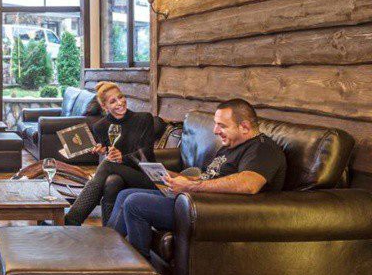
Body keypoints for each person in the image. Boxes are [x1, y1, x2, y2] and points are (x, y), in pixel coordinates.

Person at [108, 98, 287, 258]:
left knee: (135, 203)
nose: (215, 131)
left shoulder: (262, 149)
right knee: (125, 194)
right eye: (215, 124)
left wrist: (190, 187)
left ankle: (139, 272)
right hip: (197, 200)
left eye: (222, 126)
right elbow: (209, 178)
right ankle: (106, 254)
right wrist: (171, 176)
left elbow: (249, 184)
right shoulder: (231, 145)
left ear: (245, 127)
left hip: (211, 211)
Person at [63, 81, 159, 226]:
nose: (120, 103)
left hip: (145, 175)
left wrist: (122, 158)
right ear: (104, 106)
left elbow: (147, 152)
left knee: (107, 165)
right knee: (112, 181)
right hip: (118, 173)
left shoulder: (144, 118)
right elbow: (112, 154)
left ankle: (71, 220)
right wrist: (103, 151)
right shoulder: (100, 126)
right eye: (113, 101)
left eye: (121, 97)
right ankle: (109, 230)